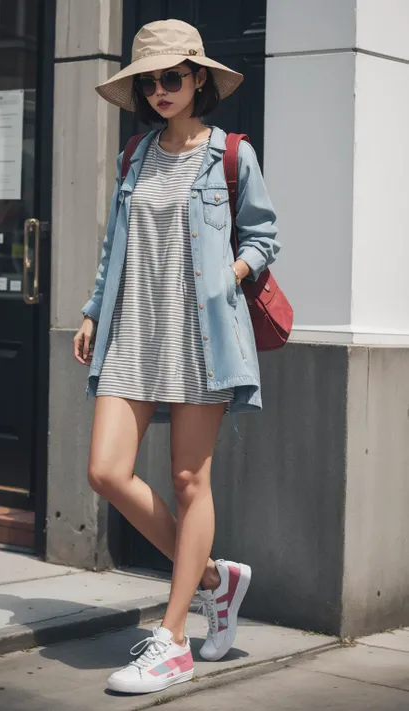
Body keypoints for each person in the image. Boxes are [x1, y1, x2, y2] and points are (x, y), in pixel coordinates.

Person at [73, 19, 280, 695]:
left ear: (197, 79)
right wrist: (92, 309)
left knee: (191, 482)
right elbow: (113, 248)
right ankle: (218, 579)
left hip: (200, 335)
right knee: (106, 470)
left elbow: (263, 236)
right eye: (149, 81)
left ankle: (174, 639)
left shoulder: (230, 154)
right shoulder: (136, 156)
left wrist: (236, 271)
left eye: (172, 77)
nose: (160, 90)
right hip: (133, 329)